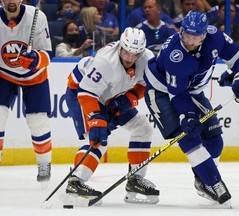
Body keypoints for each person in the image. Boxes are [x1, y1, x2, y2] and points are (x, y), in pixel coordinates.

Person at [144, 11, 239, 205]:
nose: (191, 41)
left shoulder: (216, 37)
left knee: (215, 140)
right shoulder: (174, 55)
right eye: (187, 35)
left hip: (192, 92)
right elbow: (178, 94)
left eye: (197, 36)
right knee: (189, 137)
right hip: (161, 91)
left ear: (205, 34)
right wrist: (187, 116)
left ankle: (201, 181)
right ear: (181, 32)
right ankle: (213, 182)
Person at [64, 27, 159, 205]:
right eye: (127, 52)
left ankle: (135, 179)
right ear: (121, 46)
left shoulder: (146, 59)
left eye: (135, 54)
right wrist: (96, 118)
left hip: (112, 94)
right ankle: (75, 182)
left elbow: (144, 84)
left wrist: (129, 98)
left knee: (143, 128)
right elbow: (86, 92)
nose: (130, 58)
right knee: (99, 138)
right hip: (82, 92)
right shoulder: (106, 61)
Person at [0, 0, 52, 182]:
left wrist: (36, 59)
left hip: (33, 76)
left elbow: (47, 55)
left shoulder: (37, 17)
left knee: (37, 121)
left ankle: (44, 164)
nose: (11, 1)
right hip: (3, 74)